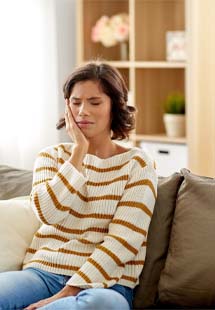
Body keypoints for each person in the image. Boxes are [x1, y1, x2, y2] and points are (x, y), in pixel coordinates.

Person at [0, 62, 157, 310]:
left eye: (95, 102)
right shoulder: (50, 157)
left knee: (101, 305)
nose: (83, 111)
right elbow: (47, 214)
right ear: (67, 106)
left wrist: (71, 290)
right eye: (76, 102)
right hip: (42, 273)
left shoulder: (137, 164)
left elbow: (124, 240)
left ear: (114, 107)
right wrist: (78, 154)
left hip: (105, 285)